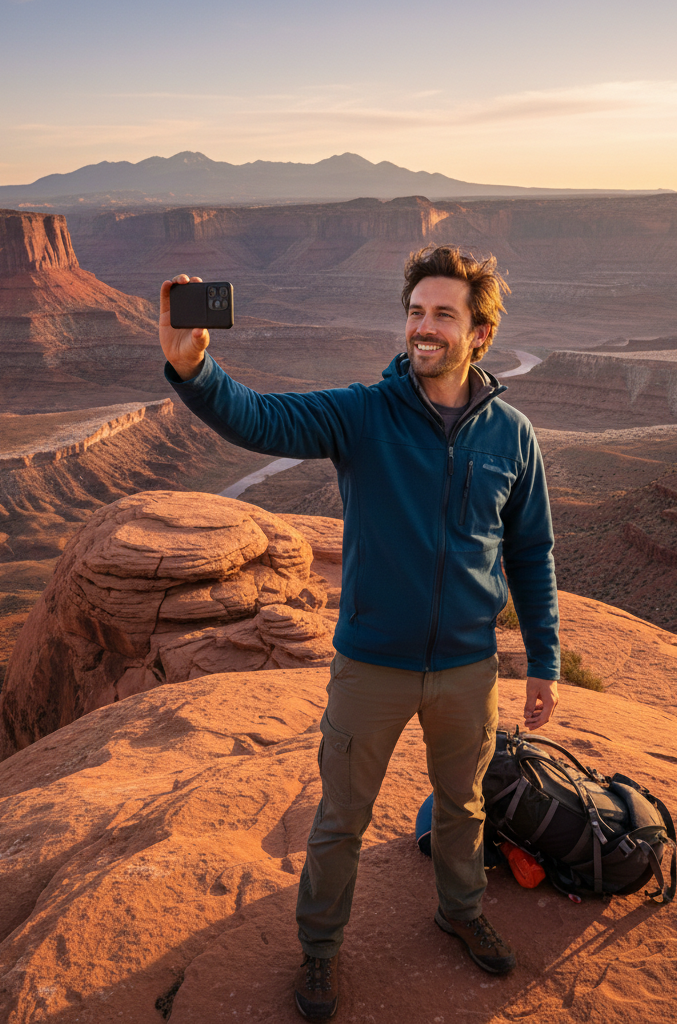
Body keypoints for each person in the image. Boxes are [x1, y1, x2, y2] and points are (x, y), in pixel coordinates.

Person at [160, 245, 560, 1022]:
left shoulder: (511, 437)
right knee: (342, 820)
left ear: (479, 333)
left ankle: (460, 910)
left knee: (464, 806)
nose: (423, 327)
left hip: (468, 668)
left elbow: (530, 551)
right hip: (372, 664)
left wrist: (542, 659)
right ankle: (319, 950)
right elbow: (261, 419)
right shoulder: (364, 413)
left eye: (443, 314)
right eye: (415, 312)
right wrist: (194, 370)